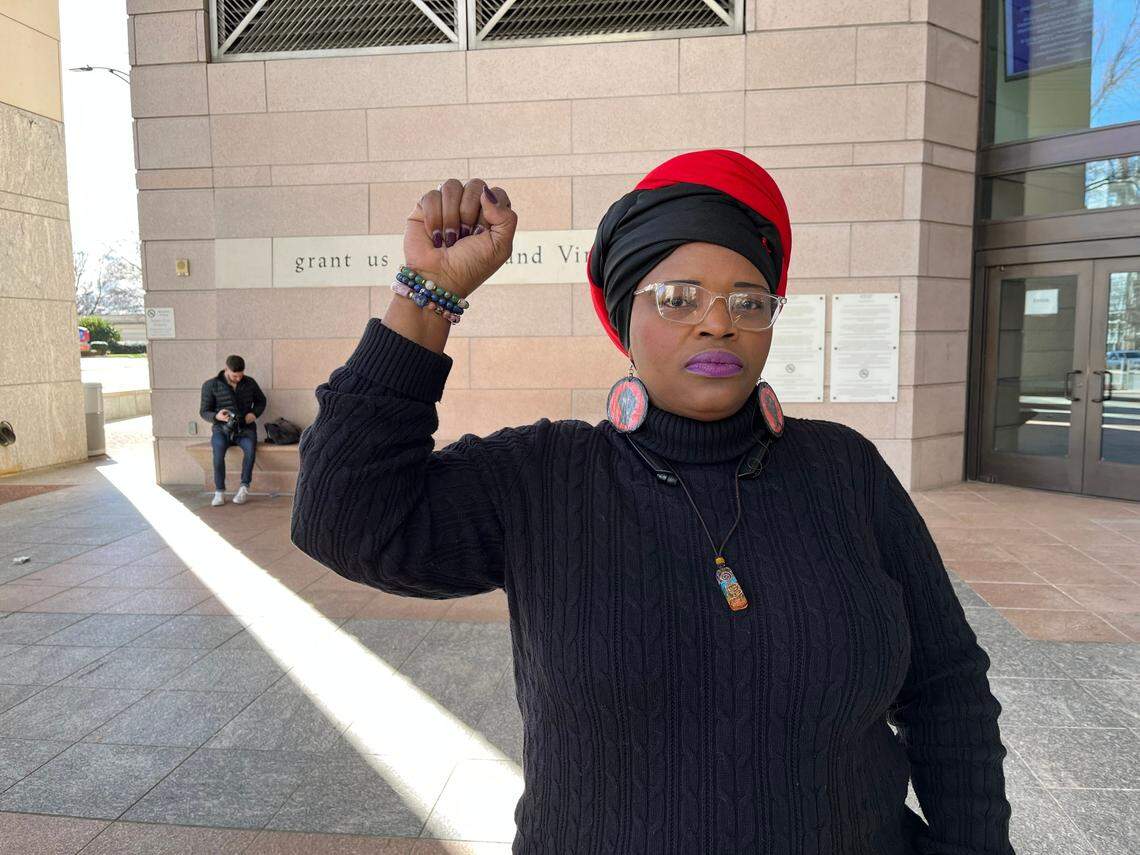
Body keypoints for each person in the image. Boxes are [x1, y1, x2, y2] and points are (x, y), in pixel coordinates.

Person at [290, 150, 1015, 854]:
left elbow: (946, 685)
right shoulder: (543, 478)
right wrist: (425, 293)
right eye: (678, 298)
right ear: (622, 316)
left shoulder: (845, 471)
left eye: (748, 300)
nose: (717, 322)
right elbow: (345, 517)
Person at [199, 354, 266, 506]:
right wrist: (216, 416)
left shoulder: (250, 382)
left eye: (241, 375)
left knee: (250, 451)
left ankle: (244, 488)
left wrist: (253, 414)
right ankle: (219, 492)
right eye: (235, 376)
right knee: (218, 454)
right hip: (222, 429)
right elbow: (204, 411)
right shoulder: (210, 385)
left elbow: (261, 401)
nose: (238, 379)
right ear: (226, 369)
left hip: (245, 428)